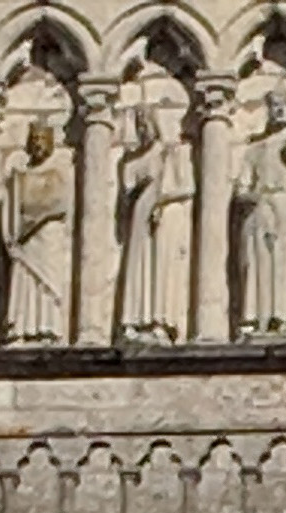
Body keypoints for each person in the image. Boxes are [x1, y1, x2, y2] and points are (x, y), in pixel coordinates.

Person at [235, 86, 286, 337]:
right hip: (262, 204)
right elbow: (241, 188)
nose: (279, 109)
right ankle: (255, 320)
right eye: (274, 105)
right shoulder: (255, 150)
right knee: (258, 261)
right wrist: (253, 197)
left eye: (285, 104)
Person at [116, 96, 195, 341]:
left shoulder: (170, 153)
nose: (143, 130)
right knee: (138, 264)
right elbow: (127, 190)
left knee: (160, 265)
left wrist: (162, 199)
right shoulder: (130, 160)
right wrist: (138, 187)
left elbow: (188, 187)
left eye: (146, 124)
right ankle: (136, 320)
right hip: (140, 215)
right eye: (138, 126)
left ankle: (161, 319)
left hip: (164, 215)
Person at [0, 115, 72, 342]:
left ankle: (47, 327)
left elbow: (60, 203)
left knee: (47, 282)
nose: (39, 143)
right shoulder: (20, 176)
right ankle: (22, 327)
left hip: (47, 236)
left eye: (43, 139)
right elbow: (11, 208)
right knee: (25, 280)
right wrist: (13, 233)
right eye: (35, 139)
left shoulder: (57, 173)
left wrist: (35, 219)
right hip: (26, 240)